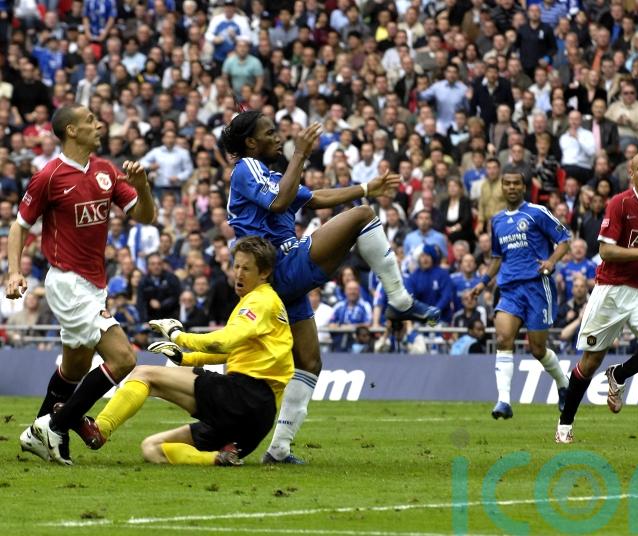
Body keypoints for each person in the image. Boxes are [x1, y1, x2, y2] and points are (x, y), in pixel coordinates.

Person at [221, 112, 439, 464]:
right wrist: (300, 154)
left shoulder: (273, 175)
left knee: (309, 361)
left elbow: (314, 198)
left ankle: (278, 449)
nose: (279, 137)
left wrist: (367, 187)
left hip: (276, 278)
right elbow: (279, 202)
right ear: (250, 142)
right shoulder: (247, 167)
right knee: (363, 216)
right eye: (270, 133)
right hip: (274, 267)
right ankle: (398, 299)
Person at [6, 104, 156, 465]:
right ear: (71, 130)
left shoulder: (105, 171)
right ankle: (57, 425)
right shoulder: (49, 176)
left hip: (94, 284)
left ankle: (42, 429)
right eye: (90, 120)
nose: (99, 124)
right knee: (124, 359)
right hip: (68, 283)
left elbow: (145, 216)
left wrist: (143, 186)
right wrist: (14, 272)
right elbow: (19, 226)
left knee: (74, 369)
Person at [89, 236, 293, 465]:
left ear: (264, 273)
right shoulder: (264, 303)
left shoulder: (260, 301)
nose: (238, 273)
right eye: (236, 266)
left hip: (245, 397)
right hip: (254, 423)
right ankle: (219, 458)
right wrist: (185, 358)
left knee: (143, 374)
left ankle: (100, 429)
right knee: (152, 448)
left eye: (246, 268)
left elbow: (224, 342)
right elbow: (232, 351)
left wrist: (179, 335)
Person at [557, 150, 638, 443]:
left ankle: (619, 374)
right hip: (612, 289)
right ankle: (565, 424)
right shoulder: (619, 203)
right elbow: (605, 251)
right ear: (631, 173)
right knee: (590, 362)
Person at [470, 172, 571, 420]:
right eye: (508, 183)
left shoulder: (537, 212)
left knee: (537, 349)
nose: (512, 187)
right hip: (510, 288)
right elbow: (496, 258)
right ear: (502, 188)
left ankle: (564, 385)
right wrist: (483, 282)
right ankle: (503, 401)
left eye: (517, 183)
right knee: (504, 338)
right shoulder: (497, 221)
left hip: (537, 286)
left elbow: (564, 239)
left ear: (524, 187)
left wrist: (550, 261)